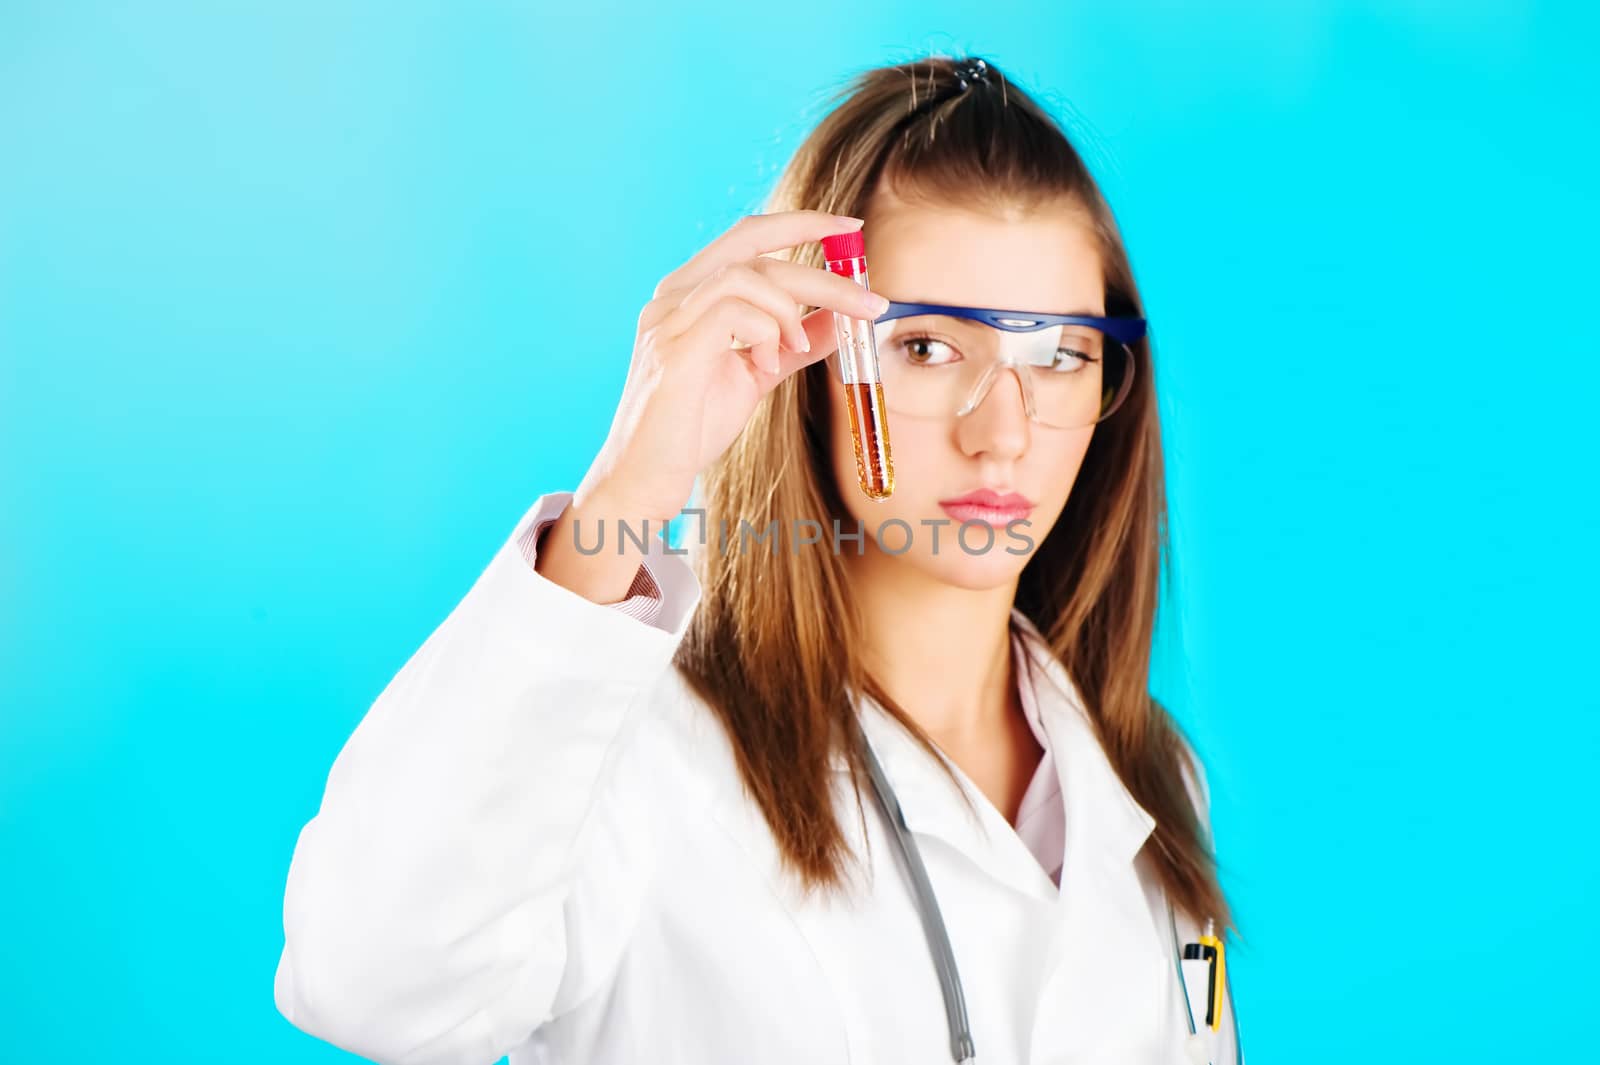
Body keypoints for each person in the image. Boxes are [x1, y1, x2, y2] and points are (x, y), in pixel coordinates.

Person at [273, 54, 1240, 1065]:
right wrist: (628, 489)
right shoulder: (638, 757)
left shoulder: (1148, 774)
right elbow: (371, 987)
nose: (1001, 431)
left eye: (1057, 355)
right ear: (814, 362)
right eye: (924, 348)